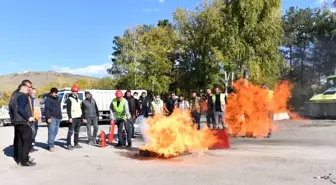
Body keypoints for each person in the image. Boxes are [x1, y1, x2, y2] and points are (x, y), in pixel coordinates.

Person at [13, 84, 36, 166]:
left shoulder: (14, 96)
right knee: (27, 142)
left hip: (17, 123)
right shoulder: (23, 96)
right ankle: (24, 161)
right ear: (24, 88)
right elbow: (21, 109)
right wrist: (28, 117)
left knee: (19, 142)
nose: (29, 90)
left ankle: (19, 159)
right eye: (28, 88)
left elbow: (13, 109)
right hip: (24, 123)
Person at [45, 87, 62, 152]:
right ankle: (51, 145)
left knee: (56, 131)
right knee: (51, 131)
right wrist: (48, 118)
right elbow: (47, 109)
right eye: (54, 93)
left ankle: (50, 141)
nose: (56, 94)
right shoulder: (48, 100)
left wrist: (60, 117)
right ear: (51, 93)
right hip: (52, 118)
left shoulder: (57, 99)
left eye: (56, 93)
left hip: (58, 118)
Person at [66, 85, 83, 150]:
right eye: (75, 91)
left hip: (78, 117)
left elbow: (80, 108)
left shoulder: (78, 99)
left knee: (77, 131)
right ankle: (68, 144)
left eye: (77, 91)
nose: (77, 92)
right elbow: (68, 109)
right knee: (70, 131)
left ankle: (76, 143)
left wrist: (81, 116)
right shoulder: (69, 99)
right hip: (72, 118)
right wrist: (69, 117)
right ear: (72, 91)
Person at [30, 88, 41, 153]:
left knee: (35, 132)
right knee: (32, 132)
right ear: (30, 92)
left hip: (36, 118)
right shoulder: (29, 99)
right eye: (33, 93)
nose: (34, 94)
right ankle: (29, 146)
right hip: (31, 119)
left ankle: (32, 145)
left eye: (35, 93)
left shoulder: (36, 100)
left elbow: (38, 109)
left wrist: (40, 117)